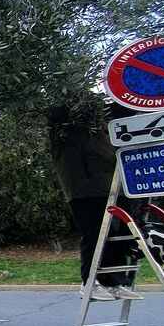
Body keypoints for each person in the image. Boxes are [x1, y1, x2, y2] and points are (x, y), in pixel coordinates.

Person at [47, 102, 143, 301]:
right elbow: (57, 111)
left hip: (116, 188)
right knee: (95, 236)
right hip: (85, 191)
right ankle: (89, 282)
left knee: (119, 235)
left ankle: (115, 281)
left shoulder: (104, 129)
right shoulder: (66, 131)